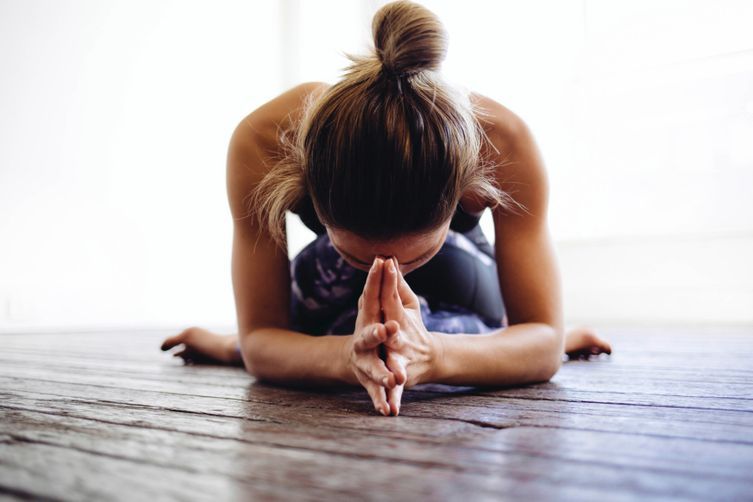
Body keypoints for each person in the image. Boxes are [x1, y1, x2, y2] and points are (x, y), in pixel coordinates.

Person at [160, 0, 611, 416]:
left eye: (413, 255)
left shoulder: (503, 140)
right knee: (335, 301)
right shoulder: (264, 139)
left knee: (452, 313)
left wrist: (436, 356)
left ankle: (470, 326)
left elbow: (544, 342)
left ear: (463, 190)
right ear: (303, 181)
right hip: (330, 288)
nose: (388, 270)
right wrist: (346, 357)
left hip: (459, 275)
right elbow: (264, 336)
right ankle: (263, 329)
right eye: (361, 254)